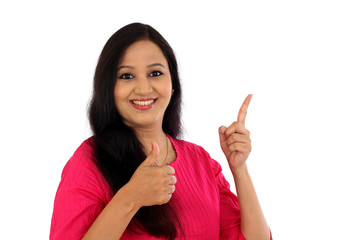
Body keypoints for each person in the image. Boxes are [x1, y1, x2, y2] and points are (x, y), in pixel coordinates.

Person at [50, 23, 272, 240]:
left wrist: (239, 169)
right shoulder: (89, 162)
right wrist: (129, 198)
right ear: (108, 87)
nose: (144, 88)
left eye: (155, 73)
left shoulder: (201, 162)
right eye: (126, 76)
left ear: (173, 83)